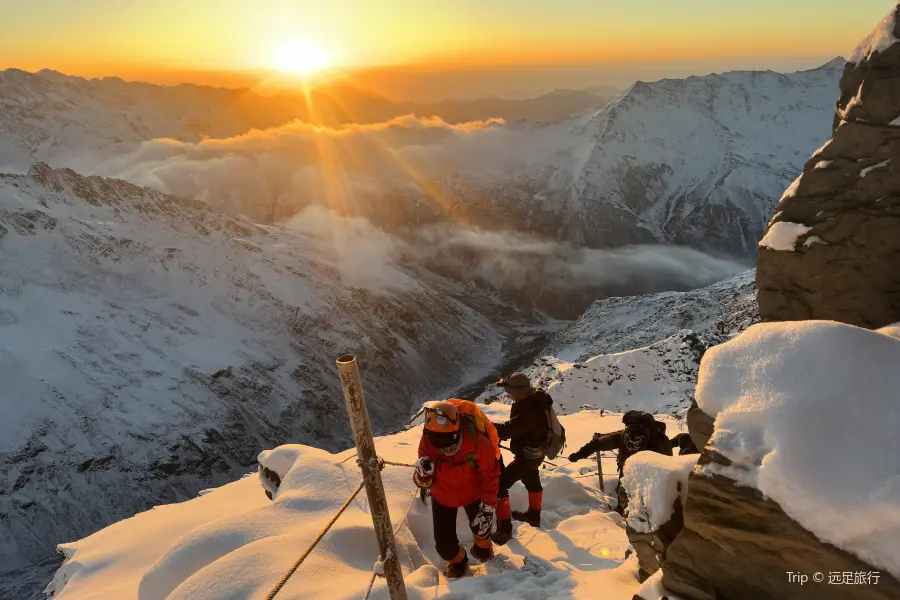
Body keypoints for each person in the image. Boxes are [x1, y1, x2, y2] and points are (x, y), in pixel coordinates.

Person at [413, 401, 500, 578]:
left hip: (471, 494)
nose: (440, 445)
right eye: (435, 438)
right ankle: (459, 562)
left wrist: (488, 505)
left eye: (445, 438)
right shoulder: (427, 440)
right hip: (443, 497)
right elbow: (424, 478)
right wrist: (422, 476)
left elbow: (491, 475)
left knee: (482, 534)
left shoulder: (478, 442)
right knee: (445, 546)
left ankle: (482, 552)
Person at [567, 410, 672, 514]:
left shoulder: (621, 437)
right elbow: (668, 464)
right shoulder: (661, 440)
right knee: (645, 503)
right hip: (651, 479)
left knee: (626, 497)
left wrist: (578, 455)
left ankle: (622, 512)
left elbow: (596, 444)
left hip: (628, 472)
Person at [490, 372, 553, 545]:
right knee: (531, 479)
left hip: (527, 455)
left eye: (509, 390)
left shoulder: (528, 410)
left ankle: (505, 531)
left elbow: (507, 431)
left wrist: (485, 425)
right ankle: (533, 516)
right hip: (535, 453)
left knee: (500, 485)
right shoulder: (535, 401)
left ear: (518, 391)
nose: (508, 394)